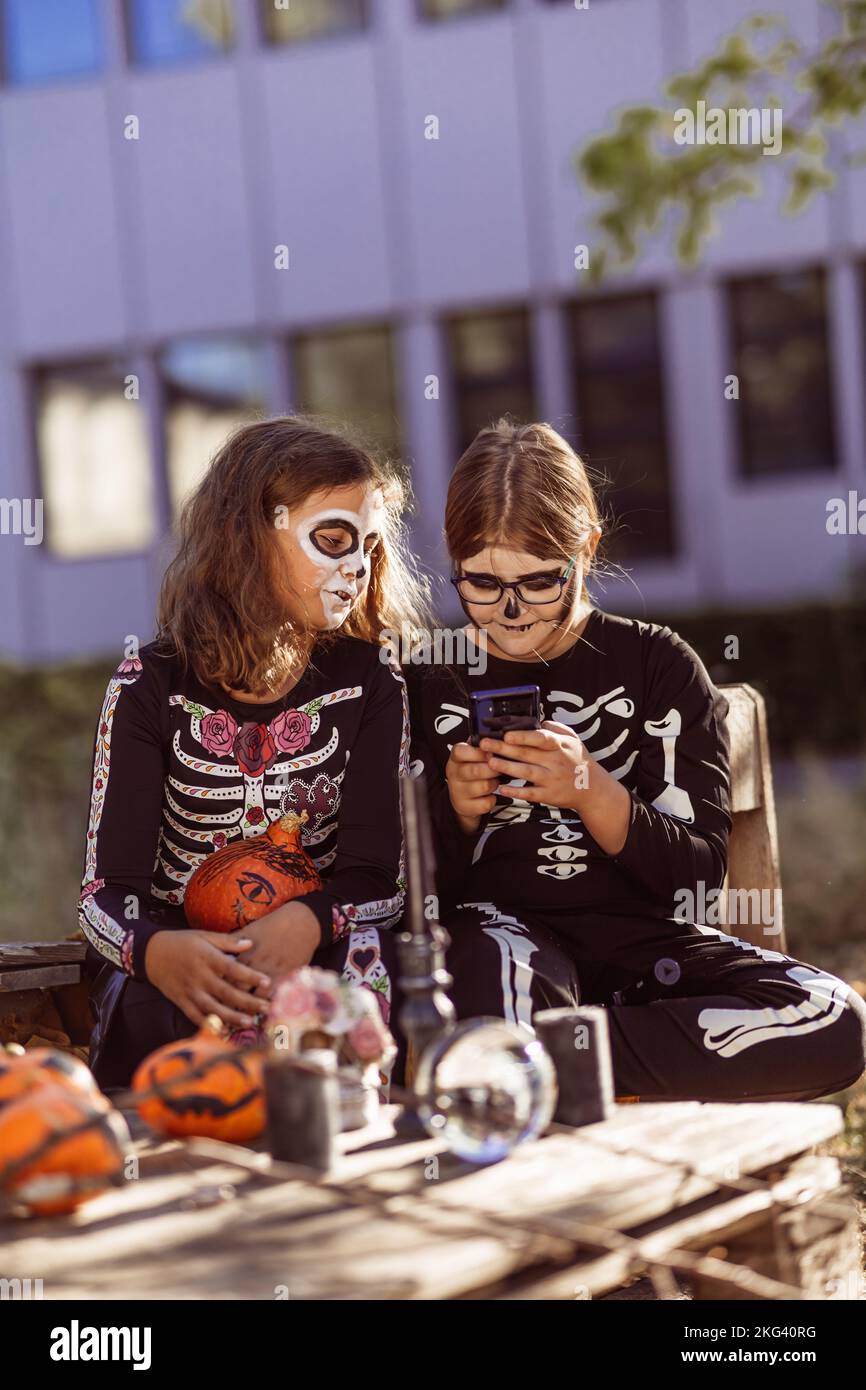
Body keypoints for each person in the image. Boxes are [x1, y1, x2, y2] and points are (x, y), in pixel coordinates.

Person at [404, 418, 866, 1102]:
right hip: (504, 946)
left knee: (837, 1021)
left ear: (586, 548)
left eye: (537, 582)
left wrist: (594, 790)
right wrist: (456, 811)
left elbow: (698, 875)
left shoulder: (657, 664)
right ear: (454, 560)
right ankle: (544, 1054)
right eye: (479, 583)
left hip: (648, 952)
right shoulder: (429, 679)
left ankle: (547, 1061)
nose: (508, 610)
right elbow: (407, 895)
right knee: (488, 970)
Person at [80, 416, 426, 1090]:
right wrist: (157, 950)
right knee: (166, 1033)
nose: (356, 566)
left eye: (371, 547)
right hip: (181, 962)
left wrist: (308, 919)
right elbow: (103, 892)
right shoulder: (148, 685)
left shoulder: (371, 682)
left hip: (319, 950)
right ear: (249, 534)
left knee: (348, 991)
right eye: (332, 538)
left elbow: (379, 877)